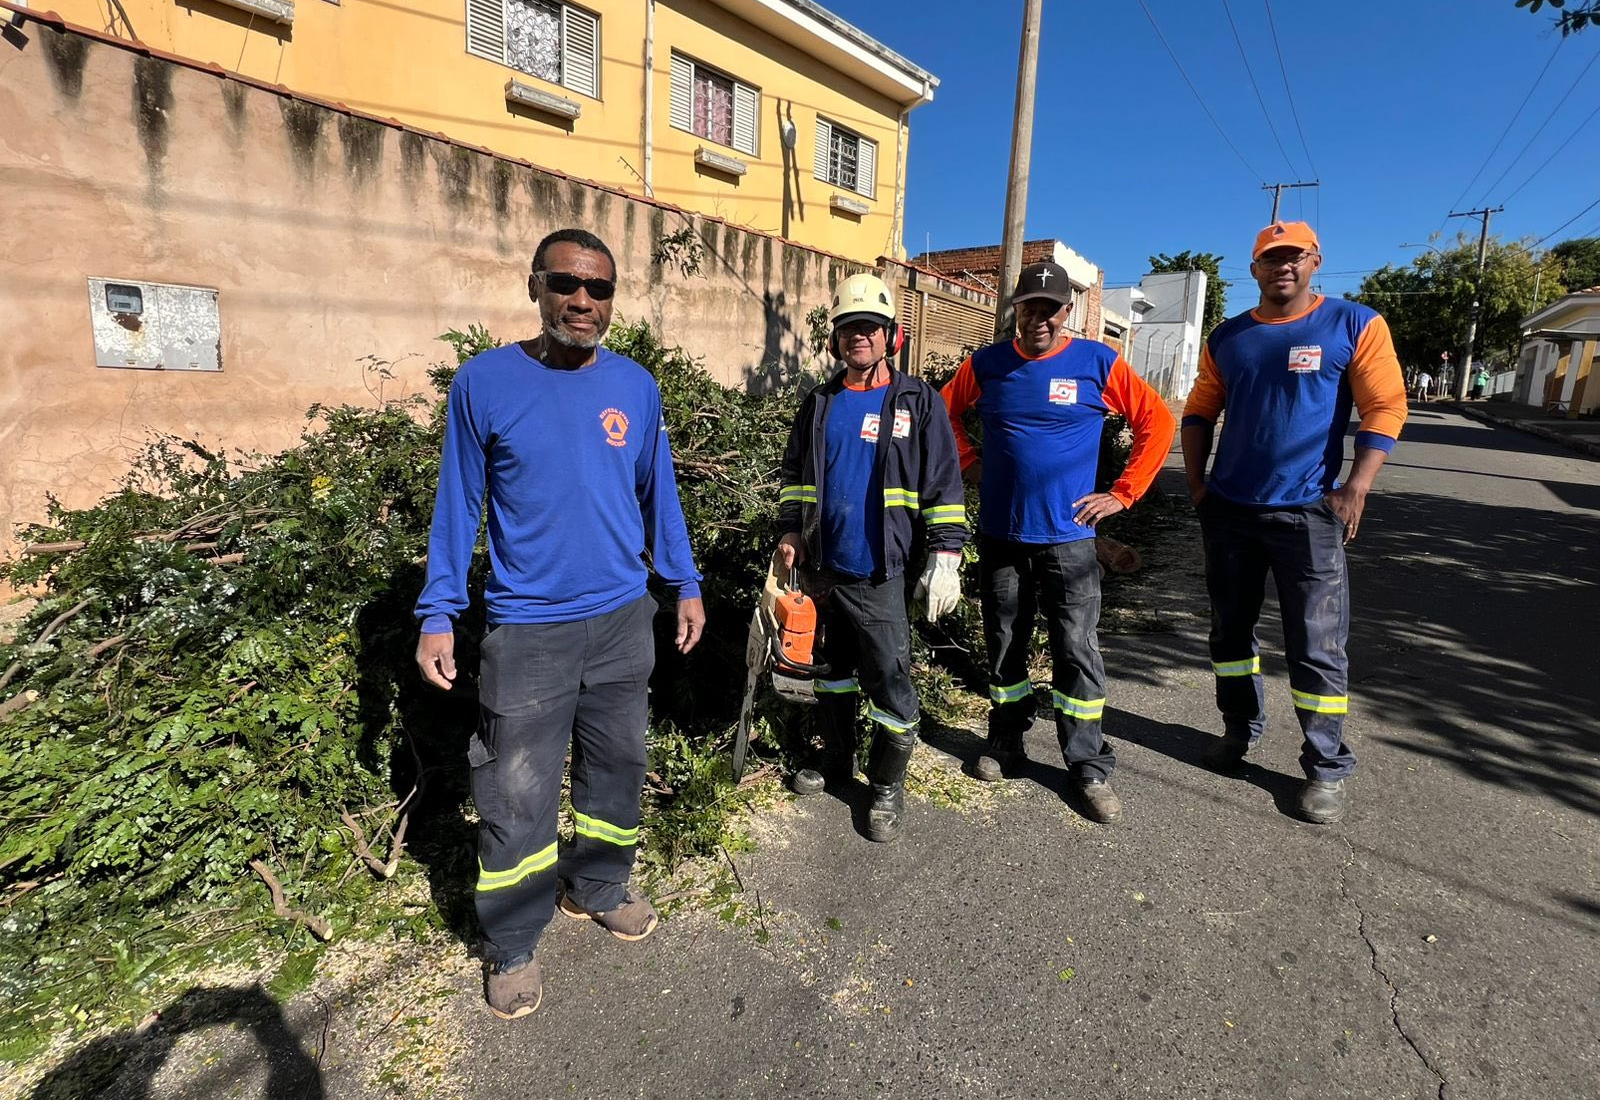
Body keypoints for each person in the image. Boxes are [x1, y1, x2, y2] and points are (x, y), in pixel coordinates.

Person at [414, 228, 705, 1019]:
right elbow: (458, 505)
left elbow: (660, 497)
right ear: (535, 286)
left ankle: (600, 883)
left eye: (600, 288)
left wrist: (683, 582)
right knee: (516, 792)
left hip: (622, 619)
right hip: (527, 630)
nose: (584, 301)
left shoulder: (637, 388)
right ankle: (511, 940)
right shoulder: (484, 384)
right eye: (567, 284)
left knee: (615, 768)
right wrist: (438, 609)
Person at [1181, 221, 1407, 825]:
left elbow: (1384, 404)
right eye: (1270, 258)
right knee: (1230, 635)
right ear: (1253, 269)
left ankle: (1326, 767)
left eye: (1294, 256)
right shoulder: (1229, 337)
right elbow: (1201, 408)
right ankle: (1238, 730)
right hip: (1230, 511)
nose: (1282, 266)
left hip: (1309, 513)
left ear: (1315, 261)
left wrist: (1356, 485)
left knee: (1316, 645)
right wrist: (1198, 484)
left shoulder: (1353, 324)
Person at [941, 262, 1175, 824]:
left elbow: (1158, 422)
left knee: (1076, 649)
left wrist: (1123, 494)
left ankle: (1087, 764)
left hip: (1071, 541)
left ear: (1066, 311)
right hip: (1001, 534)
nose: (1039, 317)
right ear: (1015, 310)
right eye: (1029, 306)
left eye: (1051, 307)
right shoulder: (987, 364)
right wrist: (968, 460)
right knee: (1004, 643)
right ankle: (1006, 742)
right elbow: (939, 415)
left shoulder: (1097, 362)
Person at [776, 272, 968, 843]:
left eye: (869, 328)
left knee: (890, 684)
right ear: (835, 339)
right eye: (848, 328)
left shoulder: (918, 402)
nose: (858, 337)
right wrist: (792, 531)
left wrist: (946, 555)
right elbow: (797, 479)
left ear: (892, 335)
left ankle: (885, 785)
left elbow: (943, 483)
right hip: (823, 572)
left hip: (881, 572)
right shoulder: (819, 402)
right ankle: (837, 762)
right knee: (830, 675)